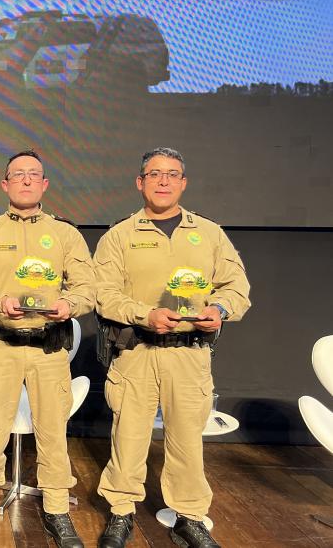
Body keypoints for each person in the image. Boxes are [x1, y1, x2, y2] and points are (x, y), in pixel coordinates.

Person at [94, 148, 251, 548]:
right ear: (140, 182)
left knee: (186, 439)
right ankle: (121, 512)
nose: (163, 181)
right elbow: (103, 295)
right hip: (137, 353)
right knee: (127, 438)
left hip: (190, 354)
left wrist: (220, 308)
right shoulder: (120, 236)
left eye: (172, 174)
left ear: (183, 182)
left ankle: (189, 516)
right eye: (154, 174)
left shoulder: (210, 234)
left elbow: (237, 287)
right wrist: (144, 314)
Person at [0, 149, 94, 548]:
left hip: (49, 351)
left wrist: (71, 305)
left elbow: (87, 286)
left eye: (34, 175)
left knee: (53, 434)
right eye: (19, 175)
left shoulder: (66, 234)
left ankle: (57, 513)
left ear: (45, 184)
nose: (27, 180)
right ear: (5, 184)